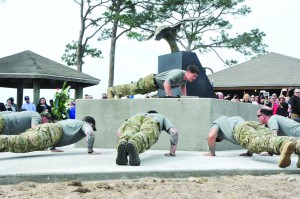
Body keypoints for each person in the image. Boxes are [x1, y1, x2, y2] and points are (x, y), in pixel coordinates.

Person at [203, 116, 299, 168]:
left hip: (239, 129)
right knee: (266, 138)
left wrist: (212, 153)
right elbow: (249, 133)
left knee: (262, 142)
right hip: (251, 123)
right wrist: (249, 152)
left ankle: (283, 144)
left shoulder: (215, 124)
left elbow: (211, 135)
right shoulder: (230, 119)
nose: (221, 139)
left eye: (219, 139)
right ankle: (298, 146)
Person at [0, 116, 100, 155]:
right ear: (90, 123)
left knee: (20, 141)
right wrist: (90, 151)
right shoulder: (85, 124)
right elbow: (90, 132)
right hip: (52, 132)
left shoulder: (73, 122)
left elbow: (57, 128)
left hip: (49, 129)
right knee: (22, 143)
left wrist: (52, 146)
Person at [107, 65, 200, 99]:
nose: (194, 78)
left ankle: (119, 94)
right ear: (188, 72)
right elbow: (166, 84)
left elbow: (183, 88)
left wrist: (186, 99)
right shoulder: (178, 74)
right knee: (133, 87)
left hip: (154, 86)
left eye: (196, 77)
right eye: (194, 76)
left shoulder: (184, 79)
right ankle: (112, 90)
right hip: (151, 81)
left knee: (136, 91)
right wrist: (170, 97)